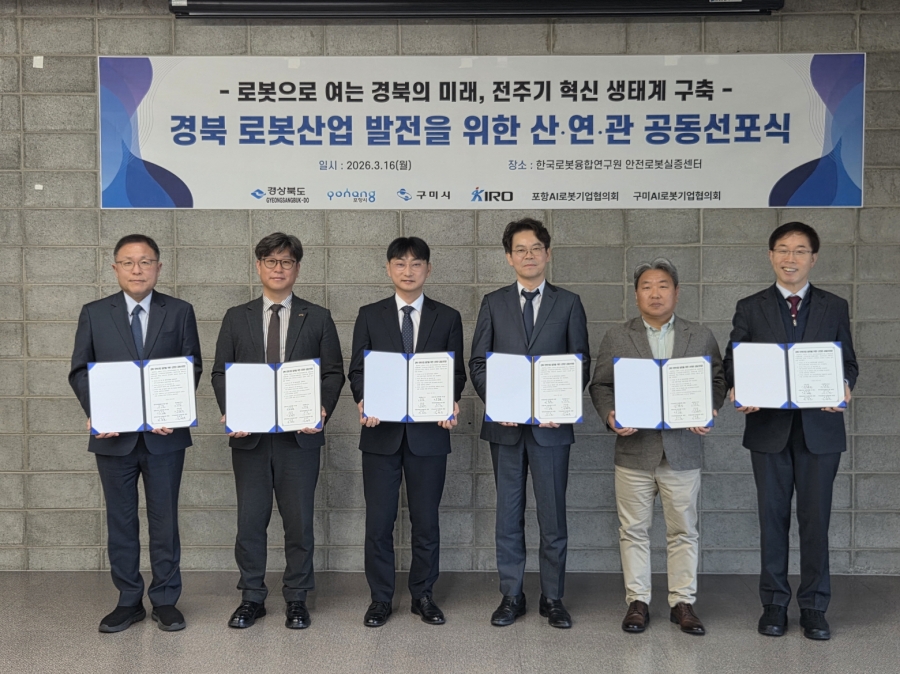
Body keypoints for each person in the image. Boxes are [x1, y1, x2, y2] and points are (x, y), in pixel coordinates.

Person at [724, 222, 857, 641]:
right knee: (772, 519)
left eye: (800, 250)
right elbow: (734, 359)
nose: (790, 258)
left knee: (816, 521)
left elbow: (848, 361)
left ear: (813, 258)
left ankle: (815, 606)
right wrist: (738, 387)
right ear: (770, 256)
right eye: (783, 249)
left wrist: (845, 385)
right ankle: (774, 604)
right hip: (769, 429)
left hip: (820, 429)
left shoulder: (834, 306)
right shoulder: (751, 306)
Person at [211, 232, 344, 630]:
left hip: (298, 439)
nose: (279, 268)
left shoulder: (317, 317)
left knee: (298, 522)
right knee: (251, 522)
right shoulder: (237, 316)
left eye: (286, 261)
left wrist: (322, 408)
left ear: (297, 268)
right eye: (271, 261)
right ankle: (252, 597)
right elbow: (220, 372)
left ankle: (297, 598)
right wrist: (233, 411)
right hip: (250, 439)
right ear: (259, 266)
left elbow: (333, 373)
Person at [69, 234, 202, 633]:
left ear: (159, 267)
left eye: (145, 262)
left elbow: (190, 366)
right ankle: (128, 600)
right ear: (115, 268)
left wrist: (173, 410)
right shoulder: (95, 313)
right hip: (114, 439)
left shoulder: (179, 311)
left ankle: (165, 599)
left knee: (165, 521)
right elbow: (80, 370)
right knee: (121, 521)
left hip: (165, 437)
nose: (137, 269)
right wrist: (99, 411)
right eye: (128, 262)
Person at [589, 258, 726, 636]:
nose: (655, 293)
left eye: (663, 286)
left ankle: (683, 602)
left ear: (676, 292)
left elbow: (717, 379)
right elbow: (600, 384)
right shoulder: (618, 336)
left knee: (684, 530)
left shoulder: (700, 335)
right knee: (633, 530)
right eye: (647, 286)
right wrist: (610, 415)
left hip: (682, 448)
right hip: (634, 449)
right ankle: (638, 601)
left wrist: (710, 408)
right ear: (636, 295)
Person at [469, 218, 590, 629]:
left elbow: (580, 361)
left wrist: (564, 403)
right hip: (505, 428)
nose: (529, 255)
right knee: (508, 514)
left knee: (553, 516)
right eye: (520, 249)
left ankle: (553, 597)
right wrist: (496, 401)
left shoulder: (568, 303)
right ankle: (512, 595)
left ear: (548, 253)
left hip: (551, 429)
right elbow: (479, 362)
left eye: (536, 248)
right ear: (509, 257)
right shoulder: (493, 303)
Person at [348, 236, 466, 627]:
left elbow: (456, 372)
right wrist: (364, 400)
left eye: (416, 264)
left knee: (426, 522)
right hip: (379, 433)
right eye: (400, 263)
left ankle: (423, 595)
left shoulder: (447, 317)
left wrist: (450, 401)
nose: (408, 271)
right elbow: (358, 370)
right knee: (379, 523)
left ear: (428, 269)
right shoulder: (369, 315)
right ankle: (380, 598)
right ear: (388, 269)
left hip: (429, 434)